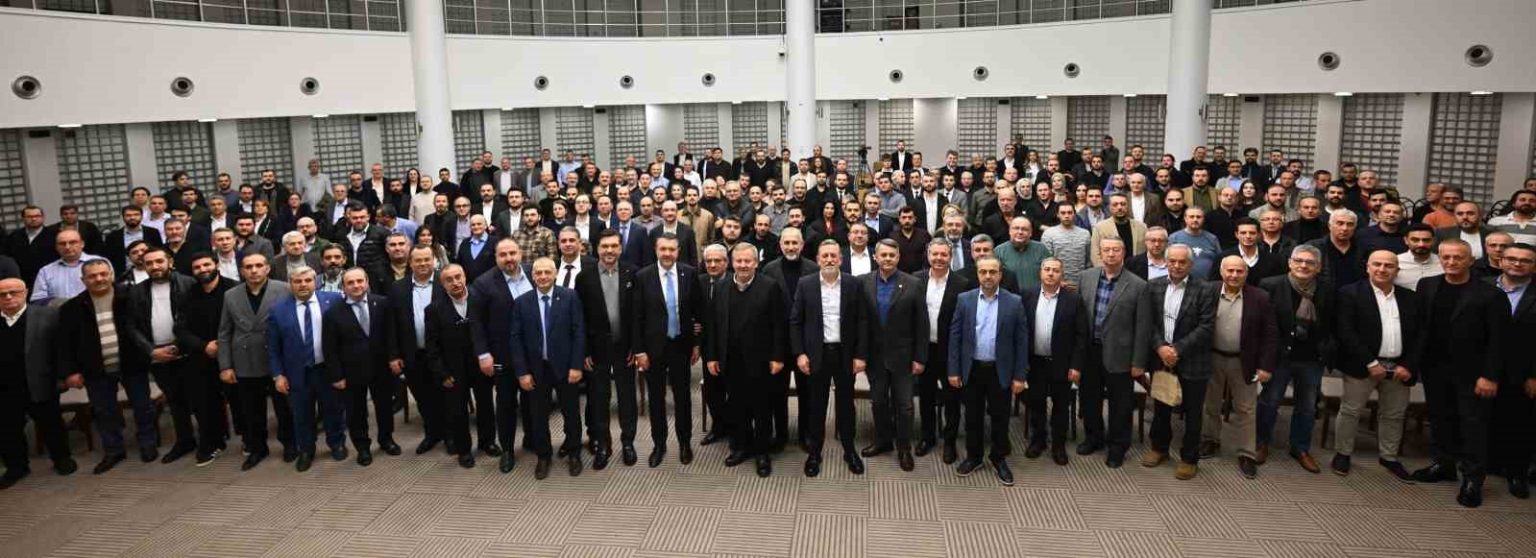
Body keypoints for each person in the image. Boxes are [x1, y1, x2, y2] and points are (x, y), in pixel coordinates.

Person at [1411, 239, 1509, 508]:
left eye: (1458, 257)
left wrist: (1490, 376)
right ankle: (1443, 465)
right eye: (1446, 257)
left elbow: (1499, 341)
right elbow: (1421, 328)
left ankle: (1473, 479)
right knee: (1440, 420)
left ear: (1470, 260)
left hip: (1473, 374)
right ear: (1440, 258)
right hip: (1434, 368)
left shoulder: (1491, 294)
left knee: (1472, 426)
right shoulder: (1427, 285)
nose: (1451, 262)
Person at [56, 258, 159, 472]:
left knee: (143, 407)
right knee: (105, 412)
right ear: (83, 280)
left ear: (111, 275)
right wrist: (70, 372)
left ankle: (148, 444)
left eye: (103, 274)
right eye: (92, 276)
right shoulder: (71, 308)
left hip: (132, 363)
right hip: (95, 369)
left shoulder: (129, 297)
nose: (99, 279)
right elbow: (64, 344)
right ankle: (114, 450)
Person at [1331, 250, 1421, 482]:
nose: (1382, 269)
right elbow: (1346, 331)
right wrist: (1370, 362)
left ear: (1397, 270)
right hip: (1362, 365)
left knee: (1394, 414)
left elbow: (1421, 335)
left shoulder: (1410, 298)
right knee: (1351, 411)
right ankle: (1343, 453)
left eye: (1388, 265)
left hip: (1399, 368)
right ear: (1368, 267)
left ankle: (1389, 457)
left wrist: (1408, 364)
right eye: (1377, 264)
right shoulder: (1350, 293)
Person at [703, 244, 787, 477]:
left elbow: (779, 325)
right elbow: (713, 325)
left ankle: (762, 453)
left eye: (747, 261)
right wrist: (711, 356)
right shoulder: (721, 287)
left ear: (756, 263)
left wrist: (778, 356)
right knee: (737, 406)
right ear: (732, 263)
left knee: (761, 408)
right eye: (738, 261)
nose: (743, 265)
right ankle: (741, 447)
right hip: (730, 360)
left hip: (761, 360)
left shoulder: (770, 287)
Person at [127, 248, 217, 465]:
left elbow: (197, 320)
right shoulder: (137, 291)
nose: (155, 266)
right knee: (175, 402)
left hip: (188, 352)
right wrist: (151, 350)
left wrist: (179, 345)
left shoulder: (189, 284)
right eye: (149, 263)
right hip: (158, 356)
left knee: (200, 400)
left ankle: (209, 442)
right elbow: (131, 326)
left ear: (170, 262)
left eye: (159, 261)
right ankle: (184, 441)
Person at [789, 239, 868, 477]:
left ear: (841, 259)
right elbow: (796, 321)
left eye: (834, 256)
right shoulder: (806, 284)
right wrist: (800, 353)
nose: (830, 260)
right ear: (818, 259)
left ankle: (849, 450)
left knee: (846, 405)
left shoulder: (854, 284)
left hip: (845, 354)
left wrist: (860, 355)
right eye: (825, 256)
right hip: (816, 354)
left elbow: (863, 321)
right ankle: (815, 453)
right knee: (816, 405)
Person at [946, 255, 1027, 485]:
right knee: (972, 416)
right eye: (983, 272)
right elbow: (955, 338)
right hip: (972, 369)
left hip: (1000, 370)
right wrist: (953, 370)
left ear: (1000, 275)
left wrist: (1020, 376)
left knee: (1001, 417)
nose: (988, 276)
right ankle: (974, 456)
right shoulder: (965, 299)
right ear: (978, 274)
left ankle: (998, 457)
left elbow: (1022, 342)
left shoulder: (1014, 302)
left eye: (993, 272)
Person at [1075, 237, 1153, 468]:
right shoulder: (1085, 278)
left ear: (1124, 253)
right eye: (1106, 250)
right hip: (1090, 351)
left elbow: (1143, 328)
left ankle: (1118, 446)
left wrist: (1139, 362)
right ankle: (1094, 438)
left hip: (1121, 355)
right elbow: (1078, 318)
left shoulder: (1138, 285)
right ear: (1100, 253)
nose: (1111, 254)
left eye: (1116, 250)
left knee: (1121, 405)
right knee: (1089, 399)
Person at [1256, 244, 1334, 473]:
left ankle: (1300, 448)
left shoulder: (1327, 290)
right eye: (1298, 261)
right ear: (1290, 263)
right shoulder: (1270, 285)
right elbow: (1261, 324)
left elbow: (1332, 324)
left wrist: (1327, 348)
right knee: (1270, 402)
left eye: (1310, 262)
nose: (1303, 266)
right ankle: (1261, 443)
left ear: (1318, 267)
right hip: (1279, 357)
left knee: (1307, 406)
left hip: (1311, 358)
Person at [1199, 256, 1278, 480]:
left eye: (1239, 271)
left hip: (1244, 361)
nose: (1234, 275)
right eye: (1230, 270)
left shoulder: (1260, 297)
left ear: (1246, 273)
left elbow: (1270, 334)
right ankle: (1210, 440)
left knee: (1246, 409)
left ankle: (1246, 453)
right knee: (1210, 404)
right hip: (1212, 357)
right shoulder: (1208, 291)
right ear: (1221, 272)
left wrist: (1265, 366)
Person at [1142, 244, 1216, 479]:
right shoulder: (1153, 286)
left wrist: (1177, 350)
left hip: (1193, 359)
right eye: (1172, 261)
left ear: (1190, 264)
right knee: (1161, 407)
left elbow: (1207, 326)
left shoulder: (1205, 289)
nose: (1176, 265)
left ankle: (1189, 458)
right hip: (1161, 357)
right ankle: (1159, 448)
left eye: (1182, 262)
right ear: (1166, 262)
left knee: (1193, 412)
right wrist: (1160, 347)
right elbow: (1148, 322)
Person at [510, 258, 588, 479]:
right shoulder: (522, 302)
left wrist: (576, 366)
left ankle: (574, 452)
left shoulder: (570, 297)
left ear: (555, 274)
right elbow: (515, 339)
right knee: (538, 416)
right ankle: (543, 455)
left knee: (571, 413)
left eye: (547, 272)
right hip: (536, 370)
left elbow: (579, 332)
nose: (543, 276)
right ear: (533, 276)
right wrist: (522, 372)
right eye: (538, 273)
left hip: (565, 368)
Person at [218, 253, 296, 470]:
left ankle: (290, 443)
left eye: (259, 265)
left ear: (267, 268)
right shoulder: (230, 295)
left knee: (284, 407)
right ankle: (257, 449)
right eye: (248, 267)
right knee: (251, 410)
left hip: (277, 358)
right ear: (242, 271)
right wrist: (225, 365)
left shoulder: (284, 289)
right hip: (245, 359)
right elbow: (224, 332)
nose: (254, 270)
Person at [856, 239, 928, 472]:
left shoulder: (914, 284)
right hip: (875, 356)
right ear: (875, 257)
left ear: (898, 257)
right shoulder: (863, 282)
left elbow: (922, 323)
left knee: (904, 405)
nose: (887, 259)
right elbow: (861, 321)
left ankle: (904, 448)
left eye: (892, 255)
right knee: (878, 401)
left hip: (904, 357)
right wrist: (860, 354)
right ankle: (883, 440)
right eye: (883, 255)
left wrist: (920, 357)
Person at [265, 266, 345, 472]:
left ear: (315, 282)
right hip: (296, 373)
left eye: (307, 280)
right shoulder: (278, 310)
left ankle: (336, 443)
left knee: (333, 409)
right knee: (301, 414)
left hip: (327, 370)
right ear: (290, 284)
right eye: (297, 281)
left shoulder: (334, 301)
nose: (303, 285)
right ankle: (306, 450)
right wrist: (278, 375)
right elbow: (273, 347)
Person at [571, 231, 637, 469]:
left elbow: (637, 314)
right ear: (597, 249)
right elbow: (579, 319)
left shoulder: (632, 273)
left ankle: (628, 443)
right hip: (596, 349)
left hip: (625, 349)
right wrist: (584, 352)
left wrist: (636, 347)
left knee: (627, 398)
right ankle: (602, 445)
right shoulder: (584, 277)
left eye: (614, 246)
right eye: (605, 246)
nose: (609, 251)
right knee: (598, 399)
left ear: (620, 248)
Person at [0, 278, 75, 488]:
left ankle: (62, 459)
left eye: (13, 292)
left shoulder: (47, 315)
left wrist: (63, 377)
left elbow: (62, 349)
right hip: (5, 388)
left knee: (51, 424)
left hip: (40, 382)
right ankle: (16, 467)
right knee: (7, 429)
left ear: (25, 292)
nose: (8, 297)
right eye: (2, 294)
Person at [322, 268, 399, 467]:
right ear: (343, 287)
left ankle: (386, 439)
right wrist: (336, 375)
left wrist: (394, 357)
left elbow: (391, 333)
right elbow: (330, 348)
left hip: (381, 367)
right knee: (356, 412)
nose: (356, 286)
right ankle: (362, 447)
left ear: (366, 282)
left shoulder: (382, 303)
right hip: (351, 371)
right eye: (350, 283)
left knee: (384, 406)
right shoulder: (333, 313)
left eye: (359, 281)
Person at [424, 264, 489, 469]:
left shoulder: (481, 300)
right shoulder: (434, 310)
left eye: (458, 277)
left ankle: (488, 442)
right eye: (449, 280)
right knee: (457, 411)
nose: (455, 282)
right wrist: (442, 373)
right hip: (453, 370)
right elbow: (432, 346)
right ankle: (464, 450)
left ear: (465, 276)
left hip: (481, 365)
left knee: (486, 405)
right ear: (442, 284)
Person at [387, 245, 449, 455]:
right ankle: (432, 434)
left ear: (434, 261)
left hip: (441, 354)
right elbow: (392, 325)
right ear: (410, 263)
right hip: (413, 354)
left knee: (445, 396)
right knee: (423, 398)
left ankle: (450, 435)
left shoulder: (445, 282)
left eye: (426, 259)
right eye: (418, 260)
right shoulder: (398, 288)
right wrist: (394, 355)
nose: (423, 264)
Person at [177, 252, 237, 467]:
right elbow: (180, 329)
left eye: (206, 265)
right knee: (204, 403)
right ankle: (212, 443)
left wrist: (222, 345)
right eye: (197, 267)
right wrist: (204, 346)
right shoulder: (188, 294)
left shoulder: (234, 289)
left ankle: (251, 442)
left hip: (233, 354)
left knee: (239, 401)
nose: (202, 269)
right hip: (201, 355)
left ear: (216, 264)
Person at [1023, 258, 1085, 467]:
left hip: (1062, 363)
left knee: (1061, 406)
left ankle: (1058, 445)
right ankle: (1038, 440)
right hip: (1035, 362)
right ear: (1040, 272)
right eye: (1047, 269)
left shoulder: (1074, 299)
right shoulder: (1028, 295)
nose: (1050, 273)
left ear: (1062, 274)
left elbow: (1081, 336)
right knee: (1036, 403)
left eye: (1055, 270)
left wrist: (1076, 365)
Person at [1489, 242, 1535, 498]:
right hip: (1483, 367)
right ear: (1500, 261)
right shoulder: (1482, 286)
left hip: (1523, 370)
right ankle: (1489, 464)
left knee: (1520, 423)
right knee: (1484, 418)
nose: (1517, 264)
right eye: (1512, 259)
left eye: (1525, 260)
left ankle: (1517, 473)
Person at [31, 230, 104, 305]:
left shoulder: (100, 263)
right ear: (56, 247)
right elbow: (37, 301)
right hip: (58, 311)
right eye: (62, 244)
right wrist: (60, 303)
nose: (67, 247)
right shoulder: (46, 271)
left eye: (72, 242)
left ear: (82, 244)